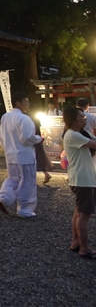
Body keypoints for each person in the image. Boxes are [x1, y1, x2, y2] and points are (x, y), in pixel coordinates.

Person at [0, 92, 43, 218]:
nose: (28, 105)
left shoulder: (5, 117)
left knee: (13, 178)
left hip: (10, 154)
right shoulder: (24, 118)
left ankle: (4, 197)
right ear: (18, 103)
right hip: (25, 154)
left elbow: (1, 137)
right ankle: (25, 209)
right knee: (27, 181)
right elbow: (27, 137)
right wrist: (39, 138)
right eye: (26, 102)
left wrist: (7, 148)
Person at [63, 106, 96, 258]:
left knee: (78, 212)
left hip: (81, 178)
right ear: (73, 119)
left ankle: (76, 243)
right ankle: (84, 248)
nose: (85, 119)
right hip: (82, 179)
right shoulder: (72, 135)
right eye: (81, 117)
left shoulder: (79, 133)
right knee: (84, 214)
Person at [33, 117, 52, 185]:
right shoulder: (36, 124)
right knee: (40, 158)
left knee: (36, 159)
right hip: (38, 141)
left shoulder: (30, 125)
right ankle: (46, 174)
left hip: (33, 142)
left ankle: (45, 174)